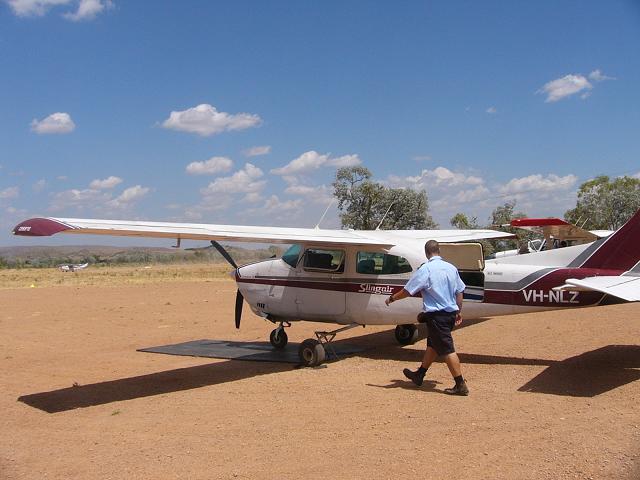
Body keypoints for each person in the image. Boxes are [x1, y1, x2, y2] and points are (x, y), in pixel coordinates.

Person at [385, 239, 469, 395]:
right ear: (439, 251)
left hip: (437, 316)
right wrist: (458, 311)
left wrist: (392, 298)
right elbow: (460, 291)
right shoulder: (451, 268)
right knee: (433, 345)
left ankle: (460, 384)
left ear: (426, 253)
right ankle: (420, 374)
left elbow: (408, 291)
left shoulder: (426, 270)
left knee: (447, 349)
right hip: (449, 314)